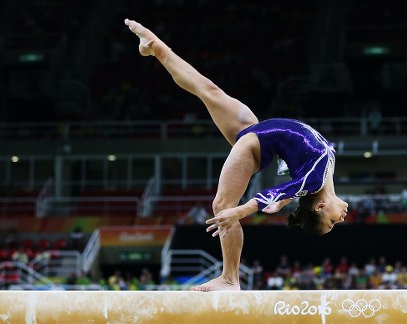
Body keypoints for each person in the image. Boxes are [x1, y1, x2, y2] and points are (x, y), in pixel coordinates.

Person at [124, 19, 348, 291]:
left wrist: (238, 212)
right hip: (257, 131)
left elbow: (275, 194)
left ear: (321, 207)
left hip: (255, 143)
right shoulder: (319, 178)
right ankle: (156, 47)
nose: (342, 218)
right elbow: (294, 188)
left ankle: (230, 278)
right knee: (207, 90)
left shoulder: (315, 181)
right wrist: (282, 200)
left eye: (333, 222)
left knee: (223, 207)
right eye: (335, 223)